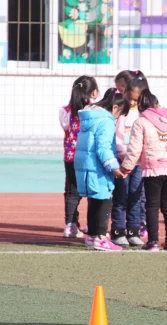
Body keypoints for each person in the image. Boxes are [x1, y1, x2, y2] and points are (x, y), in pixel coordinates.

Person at [120, 89, 167, 252]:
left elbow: (134, 148)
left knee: (152, 206)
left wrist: (126, 167)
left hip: (153, 169)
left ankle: (153, 241)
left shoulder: (141, 122)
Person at [74, 88, 127, 251]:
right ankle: (101, 237)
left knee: (94, 200)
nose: (117, 119)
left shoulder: (91, 118)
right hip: (98, 168)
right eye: (119, 115)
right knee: (104, 200)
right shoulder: (106, 121)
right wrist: (114, 167)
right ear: (116, 108)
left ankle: (92, 236)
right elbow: (103, 148)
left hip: (87, 166)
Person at [110, 71, 147, 247]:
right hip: (122, 161)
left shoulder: (143, 114)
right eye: (130, 98)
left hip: (138, 163)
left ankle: (133, 231)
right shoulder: (121, 114)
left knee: (136, 196)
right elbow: (116, 137)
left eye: (135, 100)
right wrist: (123, 154)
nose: (132, 102)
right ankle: (118, 231)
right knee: (121, 196)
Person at [59, 75, 99, 238]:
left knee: (72, 192)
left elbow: (66, 127)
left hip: (70, 156)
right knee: (92, 190)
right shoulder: (94, 110)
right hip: (89, 156)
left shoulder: (65, 110)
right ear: (94, 92)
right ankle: (92, 225)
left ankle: (70, 225)